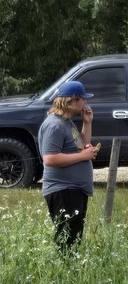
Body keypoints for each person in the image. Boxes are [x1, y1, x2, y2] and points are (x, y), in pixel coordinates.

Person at [38, 79, 101, 251]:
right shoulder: (54, 125)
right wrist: (82, 156)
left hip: (74, 189)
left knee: (74, 239)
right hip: (63, 190)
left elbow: (82, 144)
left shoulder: (66, 121)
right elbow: (50, 159)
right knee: (67, 240)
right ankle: (66, 273)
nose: (85, 103)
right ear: (72, 101)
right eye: (83, 99)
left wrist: (87, 122)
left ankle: (72, 272)